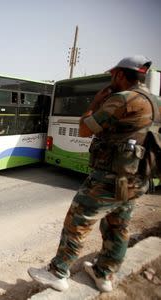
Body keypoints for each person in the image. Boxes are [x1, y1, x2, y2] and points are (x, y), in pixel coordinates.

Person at [28, 55, 155, 292]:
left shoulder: (123, 99)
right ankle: (104, 274)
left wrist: (95, 103)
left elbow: (86, 128)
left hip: (110, 178)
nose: (109, 79)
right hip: (137, 178)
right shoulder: (155, 101)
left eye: (111, 75)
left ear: (119, 75)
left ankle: (58, 272)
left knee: (77, 220)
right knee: (118, 226)